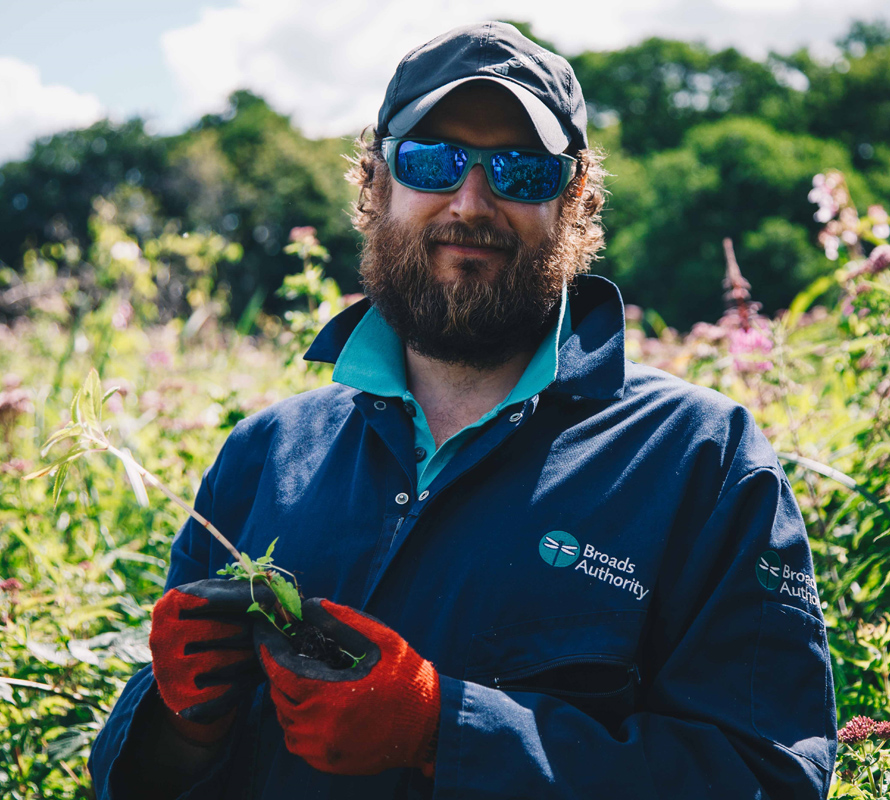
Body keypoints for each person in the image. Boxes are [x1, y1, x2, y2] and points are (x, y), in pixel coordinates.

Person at [89, 21, 836, 799]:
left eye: (521, 170)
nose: (472, 202)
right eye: (433, 161)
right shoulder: (263, 455)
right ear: (376, 183)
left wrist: (445, 733)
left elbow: (766, 777)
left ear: (575, 199)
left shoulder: (699, 459)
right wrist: (180, 726)